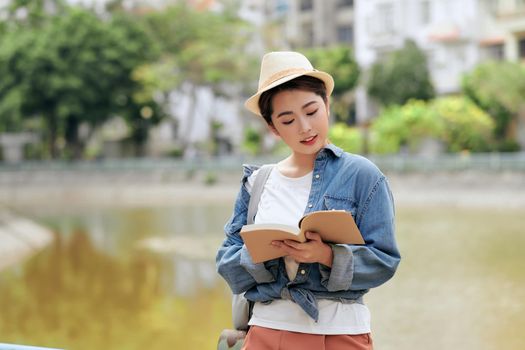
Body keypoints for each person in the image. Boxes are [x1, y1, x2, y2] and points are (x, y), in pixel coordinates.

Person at [216, 51, 400, 350]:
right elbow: (226, 261)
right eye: (288, 120)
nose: (304, 127)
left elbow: (385, 260)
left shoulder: (363, 175)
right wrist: (266, 253)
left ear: (327, 105)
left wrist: (325, 256)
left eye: (312, 111)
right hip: (265, 332)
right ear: (273, 127)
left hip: (340, 334)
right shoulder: (258, 182)